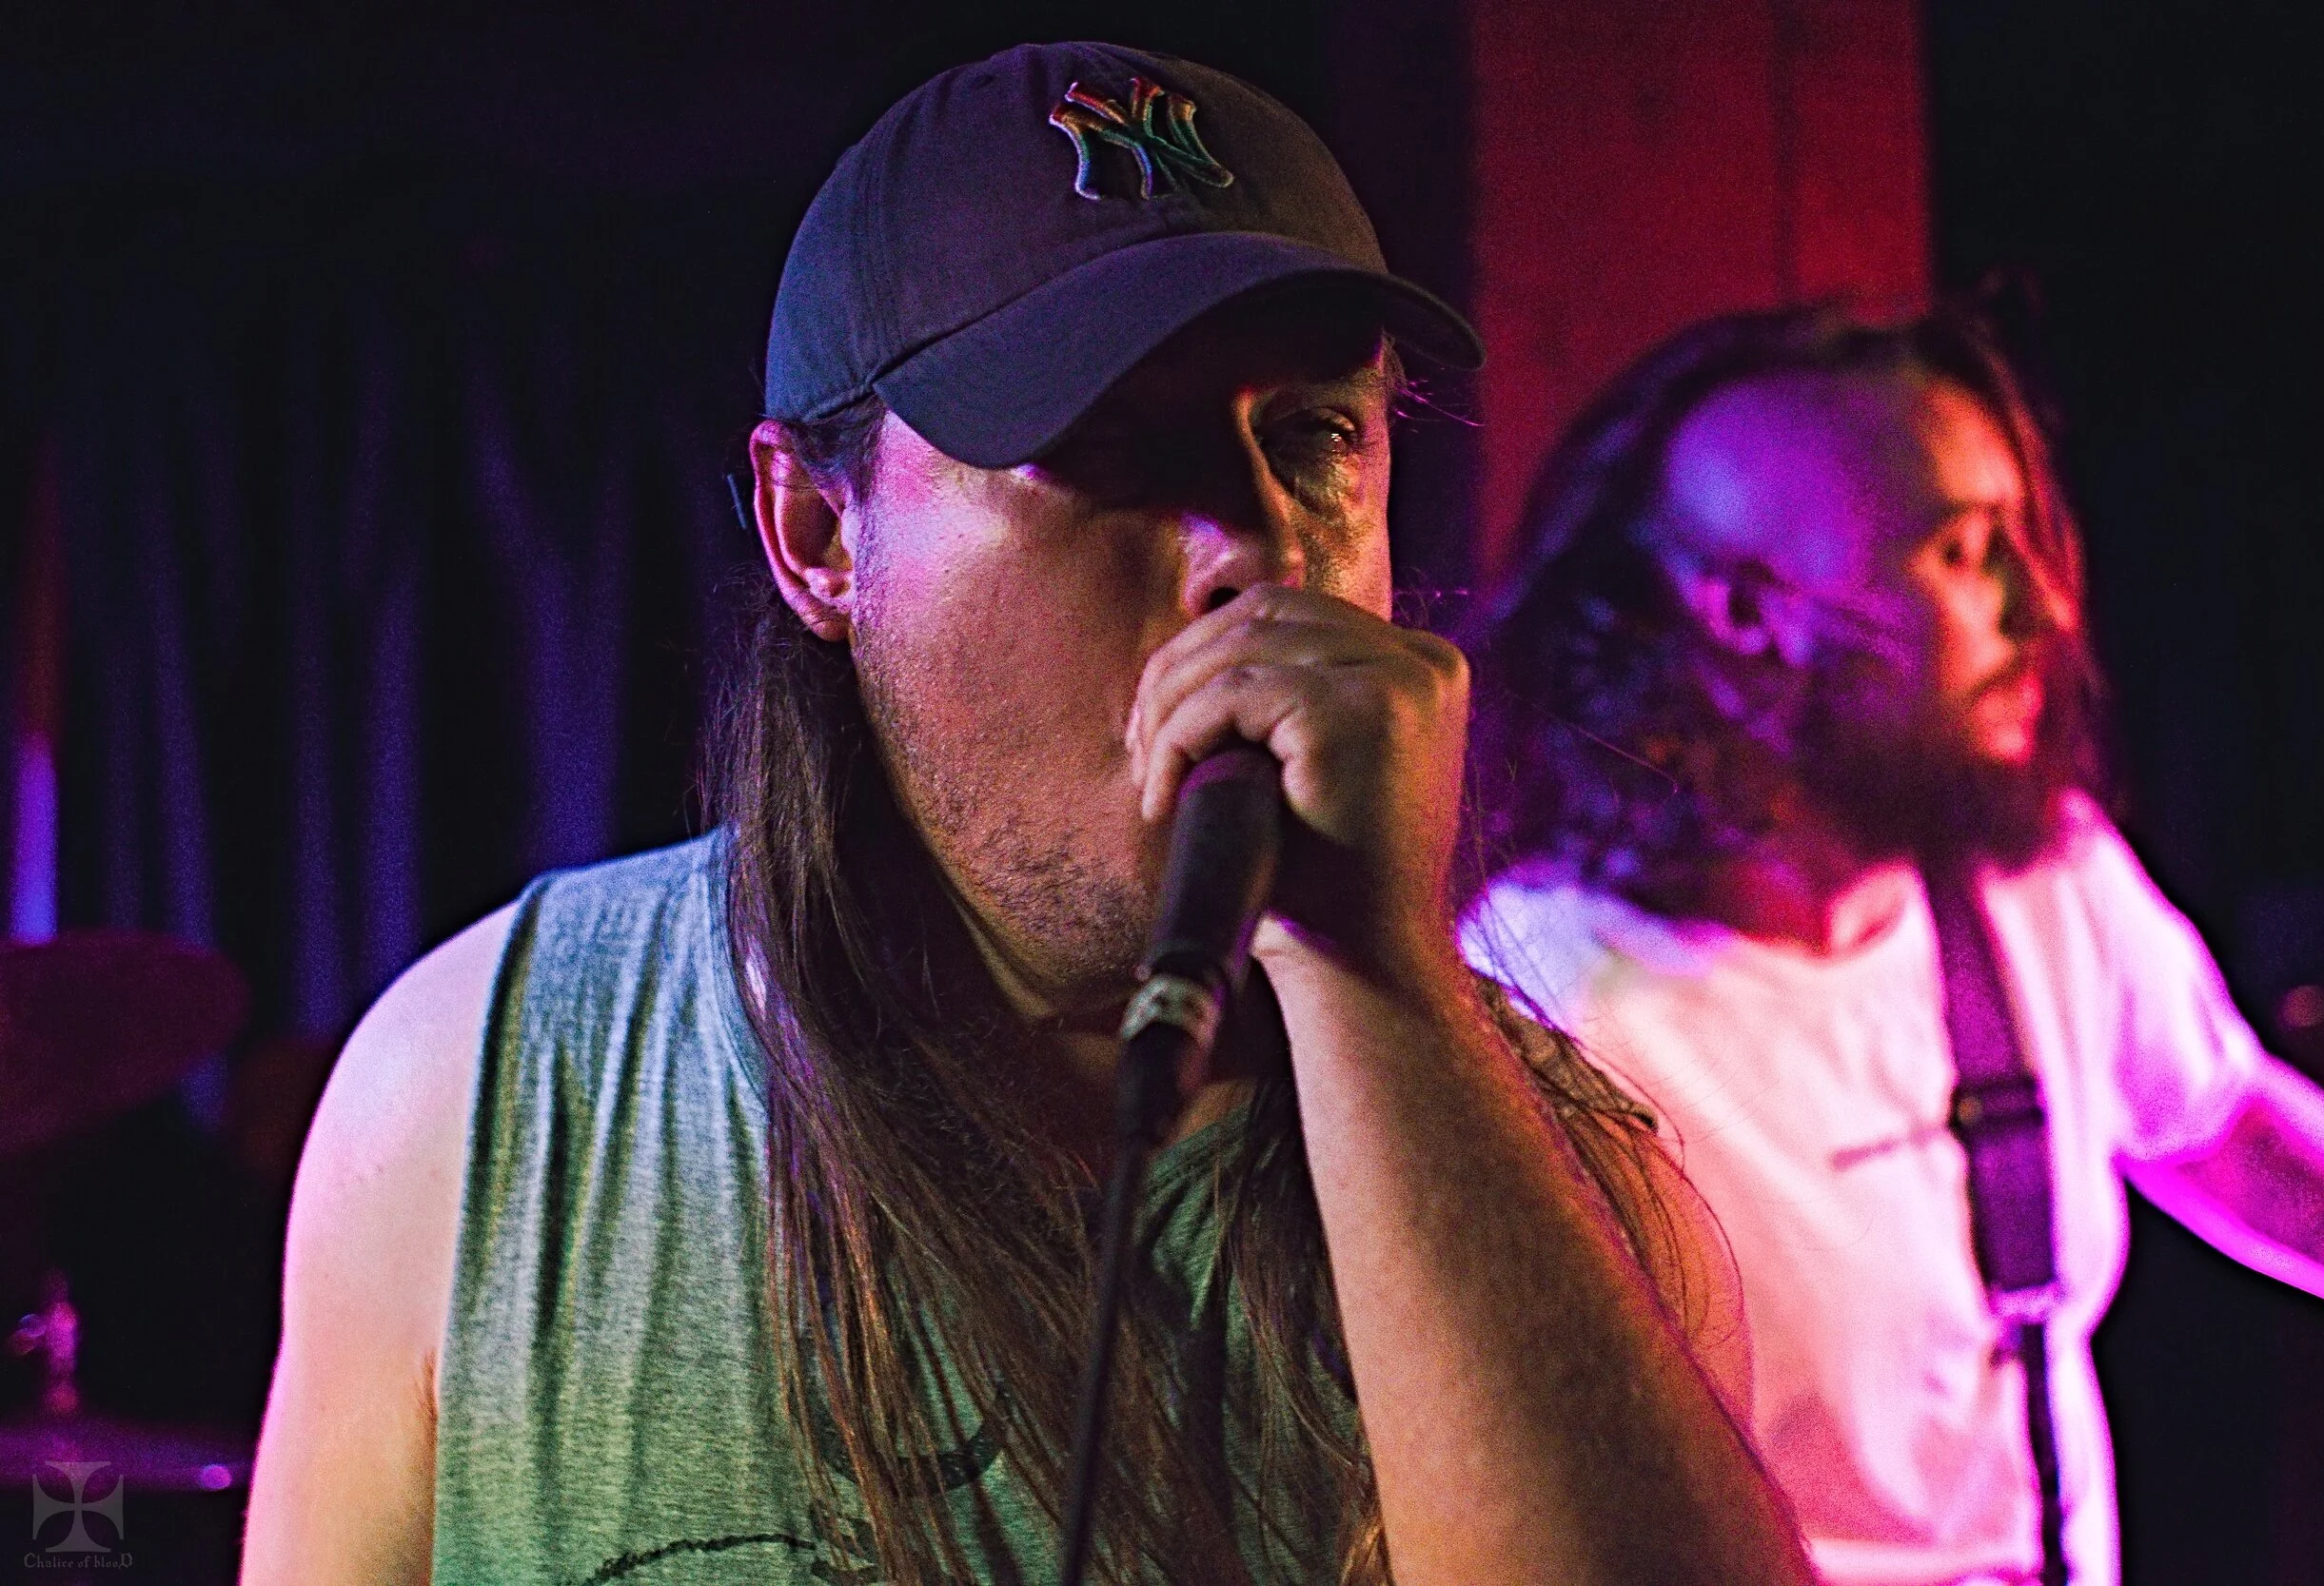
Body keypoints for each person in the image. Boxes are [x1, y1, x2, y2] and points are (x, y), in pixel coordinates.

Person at [240, 43, 1815, 1586]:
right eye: (1112, 446)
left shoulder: (1575, 1193)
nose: (1257, 550)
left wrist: (1371, 975)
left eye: (1316, 436)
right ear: (817, 533)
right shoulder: (490, 1094)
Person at [1463, 305, 2324, 1586]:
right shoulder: (1542, 1018)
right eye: (1961, 550)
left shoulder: (2035, 884)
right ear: (1744, 612)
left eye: (2024, 541)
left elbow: (2214, 1120)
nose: (2042, 606)